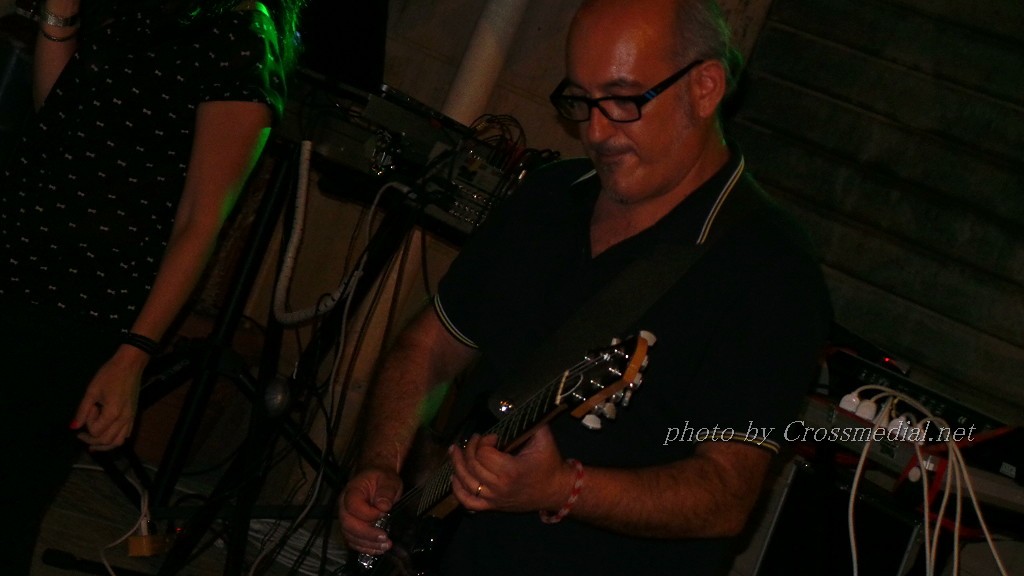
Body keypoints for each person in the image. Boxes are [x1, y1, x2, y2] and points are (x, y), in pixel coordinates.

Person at [338, 0, 832, 574]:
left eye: (623, 100)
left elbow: (726, 493)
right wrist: (382, 463)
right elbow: (428, 346)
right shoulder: (549, 197)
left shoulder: (773, 270)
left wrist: (562, 488)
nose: (595, 131)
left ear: (705, 88)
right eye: (580, 100)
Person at [0, 0, 301, 572]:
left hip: (84, 300)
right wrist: (60, 12)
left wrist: (133, 354)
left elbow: (201, 219)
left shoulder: (240, 34)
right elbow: (59, 117)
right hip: (17, 257)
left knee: (9, 495)